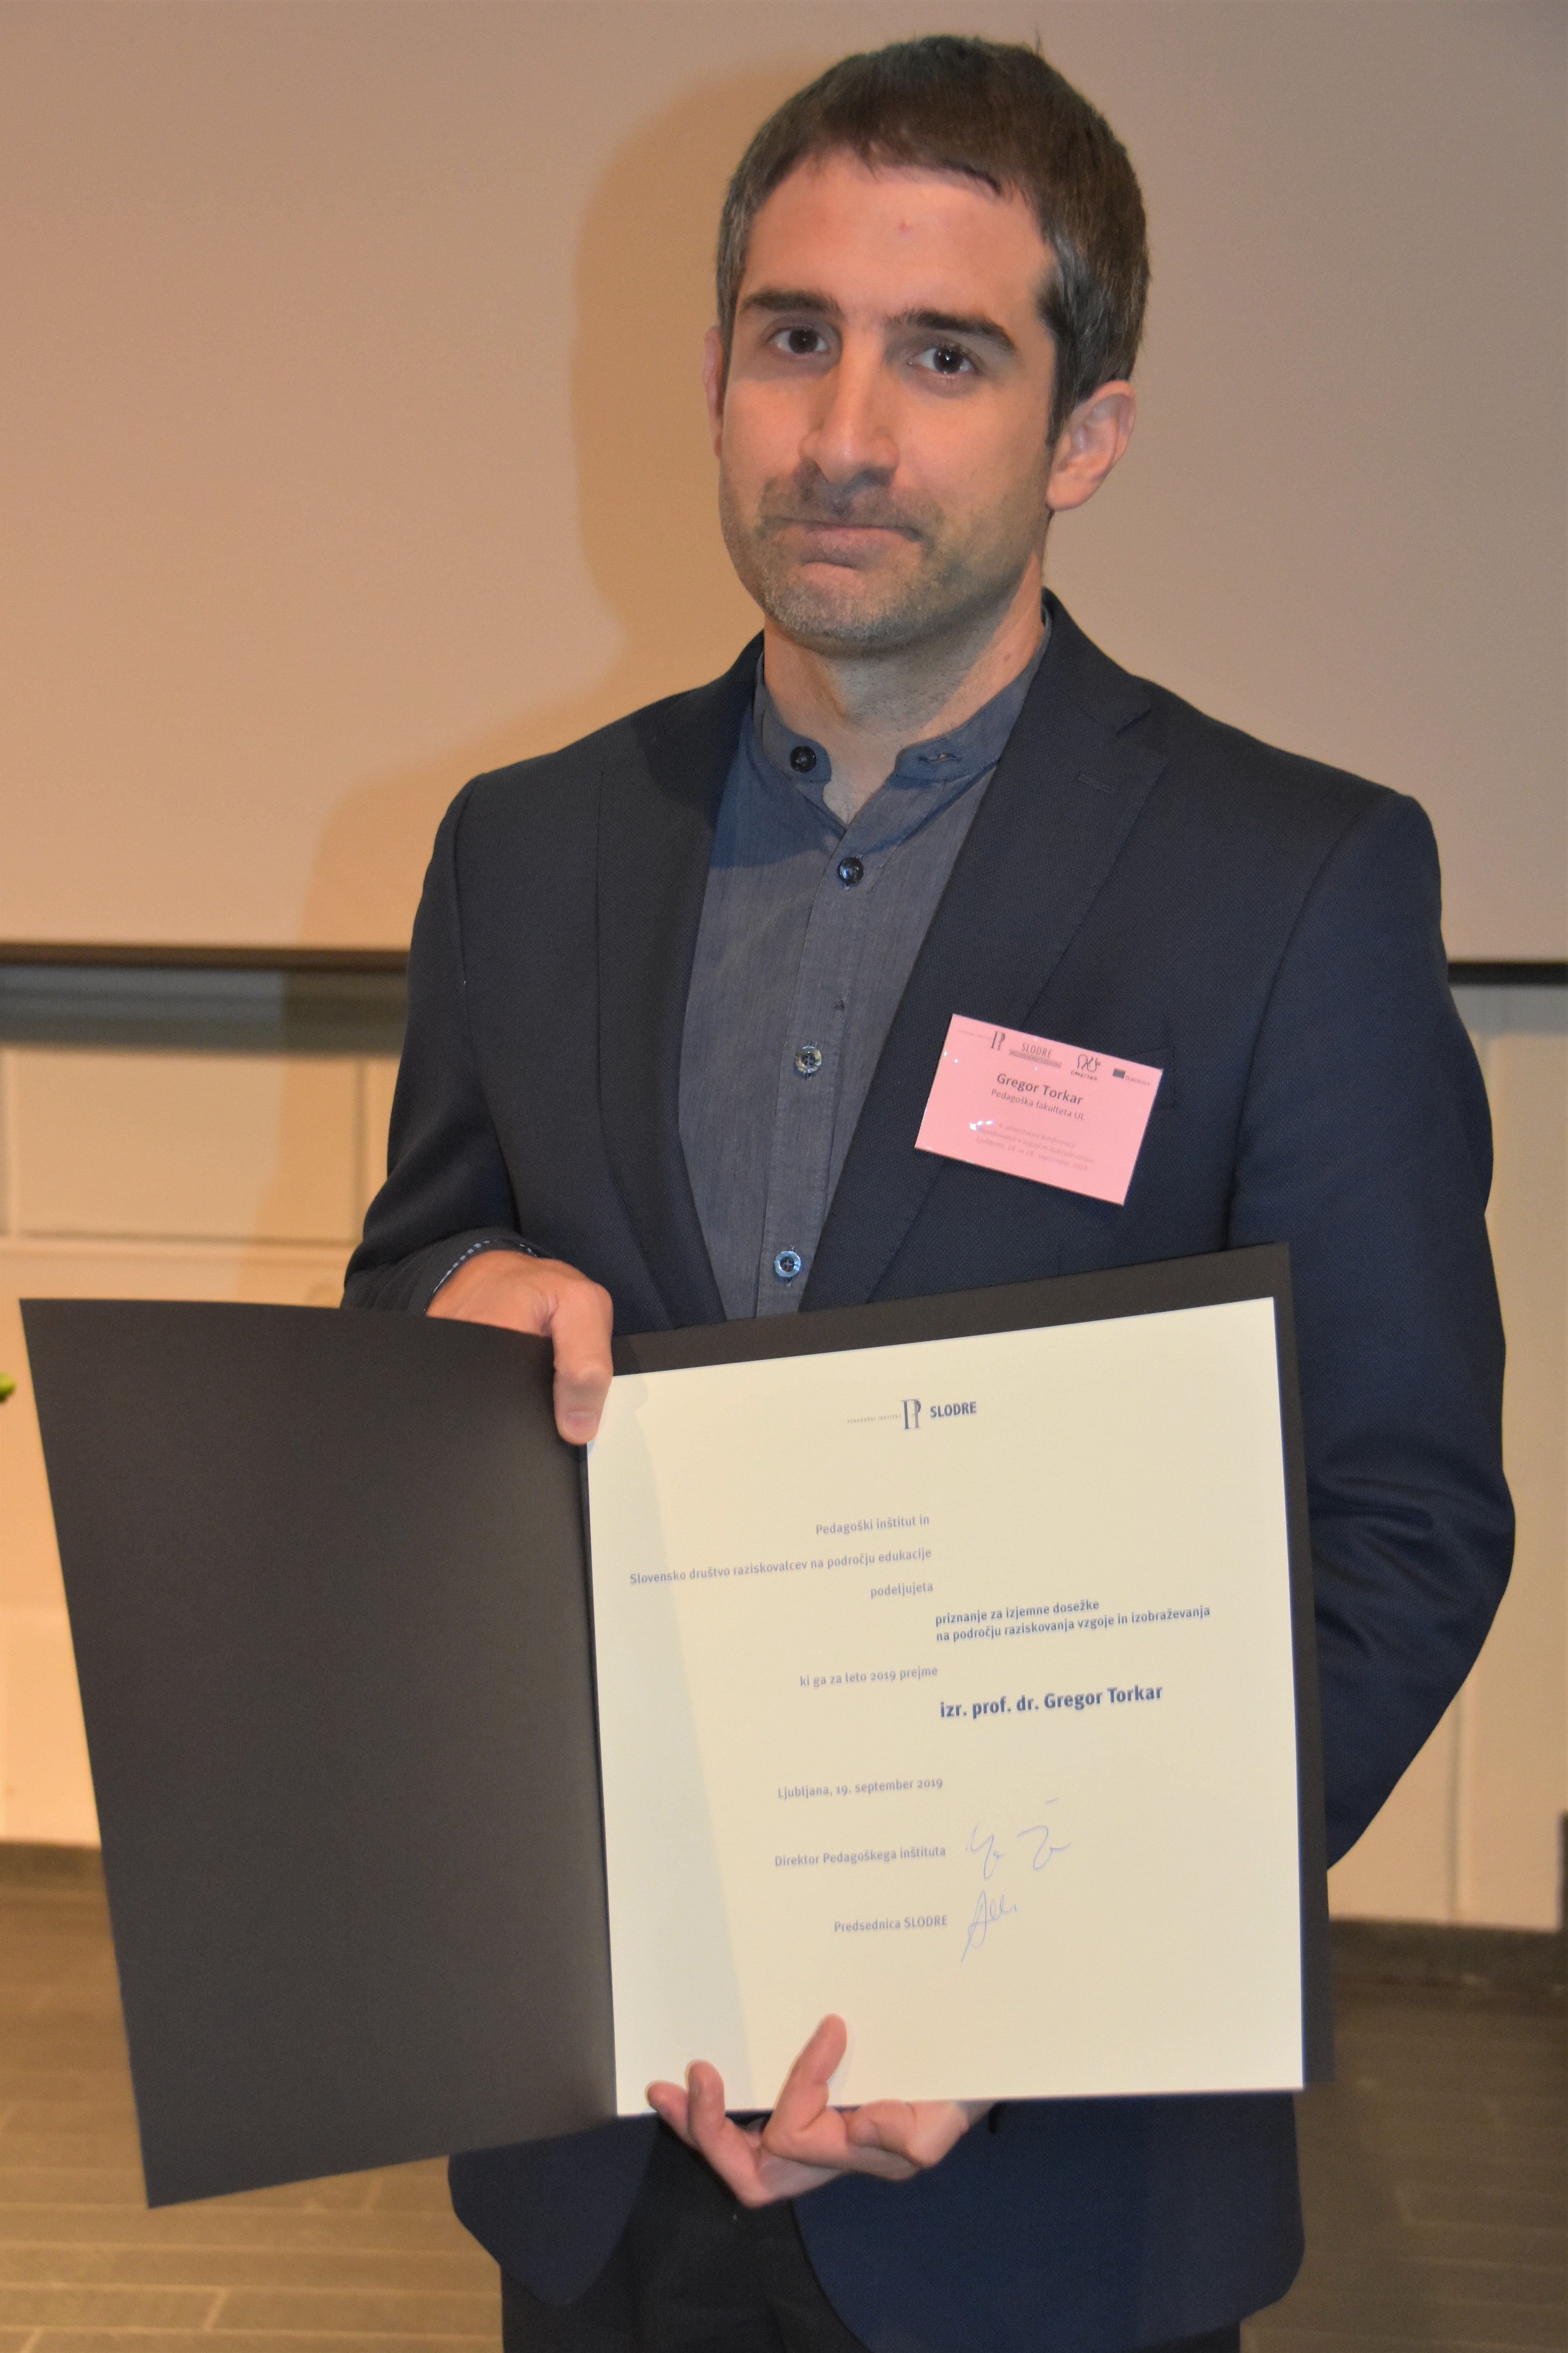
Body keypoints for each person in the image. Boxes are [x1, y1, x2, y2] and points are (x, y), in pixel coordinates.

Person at [343, 34, 1512, 2353]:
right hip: (603, 2140)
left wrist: (1041, 1982)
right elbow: (416, 1281)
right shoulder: (525, 851)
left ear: (1087, 432)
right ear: (713, 380)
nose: (846, 431)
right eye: (795, 338)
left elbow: (1397, 1528)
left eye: (946, 356)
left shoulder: (1293, 886)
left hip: (1046, 2192)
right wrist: (453, 1298)